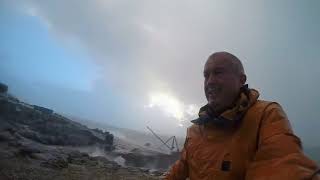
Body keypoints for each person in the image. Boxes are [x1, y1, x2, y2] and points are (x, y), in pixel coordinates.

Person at [165, 52, 319, 180]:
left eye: (218, 72)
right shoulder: (195, 130)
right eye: (206, 75)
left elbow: (283, 166)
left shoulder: (266, 115)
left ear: (241, 80)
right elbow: (180, 168)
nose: (210, 81)